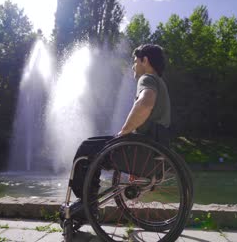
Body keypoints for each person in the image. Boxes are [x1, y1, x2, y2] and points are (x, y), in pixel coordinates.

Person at [68, 44, 171, 220]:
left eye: (135, 61)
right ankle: (89, 202)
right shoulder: (162, 84)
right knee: (95, 147)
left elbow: (146, 103)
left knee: (86, 149)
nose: (133, 66)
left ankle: (86, 203)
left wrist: (123, 133)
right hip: (153, 151)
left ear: (144, 60)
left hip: (140, 148)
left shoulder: (147, 78)